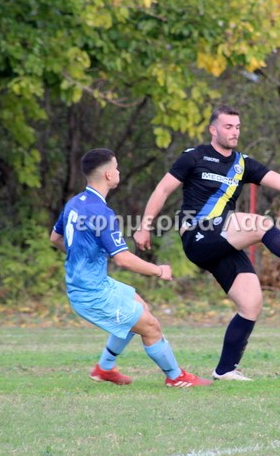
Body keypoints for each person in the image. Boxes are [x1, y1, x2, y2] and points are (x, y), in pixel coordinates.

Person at [133, 105, 280, 381]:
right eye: (228, 126)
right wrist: (144, 227)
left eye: (237, 127)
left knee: (251, 304)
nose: (234, 132)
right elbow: (163, 189)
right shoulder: (193, 157)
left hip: (221, 239)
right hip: (198, 233)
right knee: (261, 224)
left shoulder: (243, 164)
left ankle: (225, 370)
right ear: (213, 129)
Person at [50, 148, 212, 388]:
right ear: (107, 175)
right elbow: (123, 259)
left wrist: (82, 257)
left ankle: (104, 369)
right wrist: (159, 270)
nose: (118, 171)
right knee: (151, 327)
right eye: (116, 168)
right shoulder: (101, 213)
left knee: (139, 306)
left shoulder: (75, 203)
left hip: (94, 284)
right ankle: (176, 377)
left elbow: (55, 238)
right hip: (91, 294)